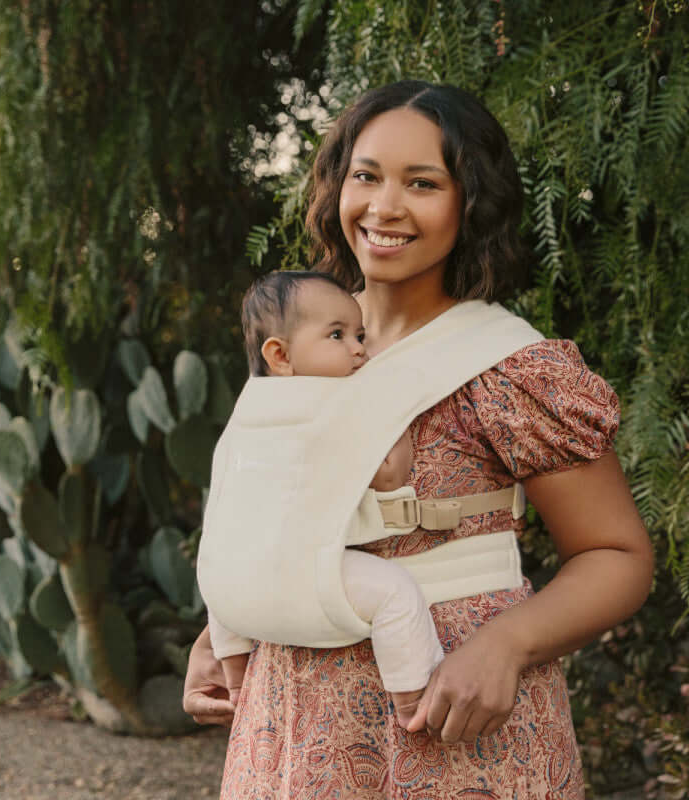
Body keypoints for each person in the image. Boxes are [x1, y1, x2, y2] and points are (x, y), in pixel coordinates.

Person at [183, 80, 653, 798]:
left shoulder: (510, 369)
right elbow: (262, 523)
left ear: (472, 203)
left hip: (458, 725)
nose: (384, 206)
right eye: (365, 176)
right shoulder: (300, 348)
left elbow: (617, 556)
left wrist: (507, 644)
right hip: (296, 728)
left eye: (423, 183)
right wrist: (222, 636)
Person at [206, 269, 445, 729]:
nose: (359, 348)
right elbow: (390, 475)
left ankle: (237, 684)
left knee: (222, 586)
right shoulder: (339, 401)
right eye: (337, 335)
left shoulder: (248, 405)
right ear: (279, 354)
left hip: (231, 581)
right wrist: (394, 412)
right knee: (396, 594)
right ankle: (413, 702)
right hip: (305, 573)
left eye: (359, 334)